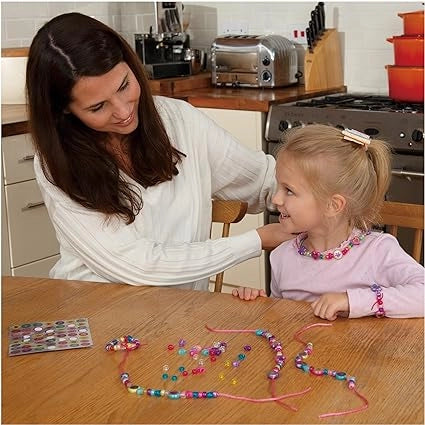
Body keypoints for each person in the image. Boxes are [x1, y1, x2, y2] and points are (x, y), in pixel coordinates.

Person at [26, 12, 291, 291]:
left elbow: (262, 181)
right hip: (94, 314)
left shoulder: (179, 120)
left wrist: (323, 191)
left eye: (124, 86)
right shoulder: (56, 162)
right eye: (98, 107)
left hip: (179, 316)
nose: (124, 111)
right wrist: (257, 240)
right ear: (65, 111)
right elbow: (138, 265)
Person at [233, 124, 424, 320]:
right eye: (278, 186)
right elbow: (280, 319)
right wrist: (263, 303)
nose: (276, 199)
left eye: (289, 190)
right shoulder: (282, 256)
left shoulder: (377, 251)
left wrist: (350, 301)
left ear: (333, 205)